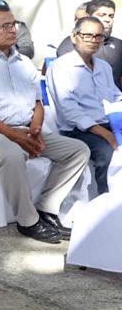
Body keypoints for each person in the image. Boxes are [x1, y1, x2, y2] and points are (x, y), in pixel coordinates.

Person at [0, 6, 90, 243]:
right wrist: (14, 135)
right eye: (5, 26)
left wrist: (35, 130)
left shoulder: (24, 63)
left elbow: (37, 103)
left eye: (14, 24)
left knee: (78, 151)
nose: (12, 30)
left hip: (25, 129)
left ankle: (46, 208)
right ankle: (28, 221)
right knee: (12, 153)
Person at [47, 16, 122, 196]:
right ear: (74, 37)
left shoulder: (103, 66)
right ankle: (105, 201)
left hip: (109, 123)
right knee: (107, 153)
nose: (94, 40)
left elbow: (115, 97)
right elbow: (70, 112)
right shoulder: (61, 67)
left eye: (99, 36)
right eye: (88, 35)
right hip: (79, 130)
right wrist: (106, 134)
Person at [57, 0, 122, 86]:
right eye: (102, 15)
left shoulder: (118, 45)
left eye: (111, 16)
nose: (108, 20)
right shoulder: (72, 44)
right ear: (88, 17)